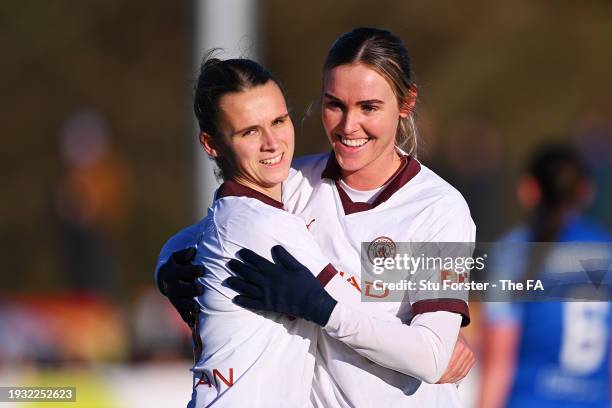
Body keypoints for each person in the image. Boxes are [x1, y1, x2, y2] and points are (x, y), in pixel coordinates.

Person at [158, 28, 476, 407]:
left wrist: (325, 310)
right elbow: (218, 228)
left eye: (369, 107)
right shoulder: (295, 184)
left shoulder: (439, 208)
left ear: (406, 103)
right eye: (335, 104)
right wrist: (167, 266)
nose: (348, 125)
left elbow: (431, 356)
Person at [479, 144, 612, 408]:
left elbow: (498, 365)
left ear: (528, 190)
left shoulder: (514, 253)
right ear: (586, 192)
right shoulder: (606, 249)